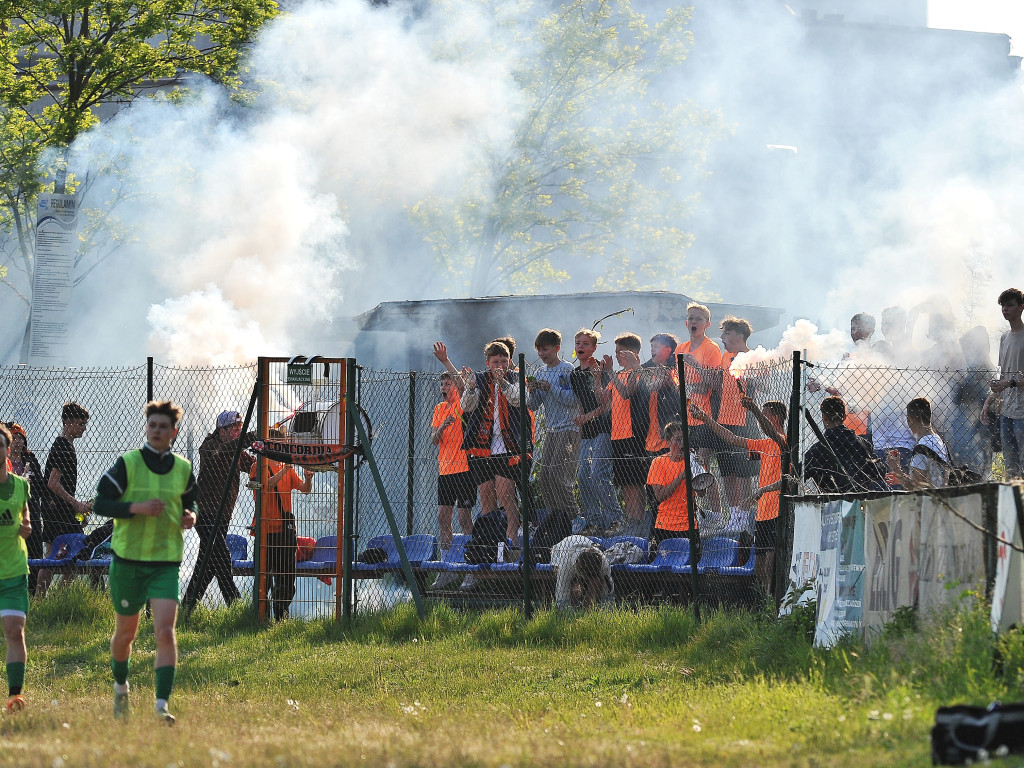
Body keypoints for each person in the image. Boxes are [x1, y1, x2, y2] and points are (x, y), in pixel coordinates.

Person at [93, 400, 198, 724]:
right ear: (146, 428)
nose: (156, 430)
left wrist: (190, 516)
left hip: (166, 561)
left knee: (165, 631)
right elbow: (100, 503)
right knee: (126, 634)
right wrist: (135, 507)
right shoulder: (128, 464)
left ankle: (161, 706)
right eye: (152, 425)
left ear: (173, 433)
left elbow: (190, 501)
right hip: (128, 561)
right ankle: (121, 687)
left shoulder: (183, 468)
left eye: (163, 427)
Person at [688, 397, 787, 590]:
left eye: (765, 415)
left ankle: (773, 601)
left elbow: (770, 431)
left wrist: (754, 409)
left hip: (777, 510)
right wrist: (706, 418)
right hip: (762, 513)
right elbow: (732, 438)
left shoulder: (781, 440)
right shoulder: (764, 444)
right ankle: (766, 600)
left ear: (775, 417)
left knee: (770, 562)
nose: (760, 420)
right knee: (759, 566)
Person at [182, 410, 254, 611]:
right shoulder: (209, 446)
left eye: (240, 428)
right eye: (235, 428)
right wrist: (253, 437)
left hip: (223, 516)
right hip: (205, 514)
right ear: (222, 431)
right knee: (222, 560)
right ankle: (237, 607)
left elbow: (253, 466)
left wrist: (270, 458)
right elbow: (224, 451)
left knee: (207, 565)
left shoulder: (236, 450)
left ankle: (187, 607)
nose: (239, 431)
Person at [461, 340, 529, 543]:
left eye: (503, 361)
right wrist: (471, 387)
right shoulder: (479, 379)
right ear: (487, 362)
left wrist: (504, 383)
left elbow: (518, 399)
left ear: (509, 361)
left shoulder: (516, 378)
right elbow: (466, 406)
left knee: (506, 494)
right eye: (495, 361)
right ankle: (491, 542)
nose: (499, 365)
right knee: (486, 497)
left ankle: (512, 542)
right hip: (482, 447)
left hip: (509, 446)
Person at [248, 430, 312, 621]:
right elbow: (264, 486)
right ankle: (261, 615)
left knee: (286, 577)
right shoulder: (258, 466)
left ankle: (281, 615)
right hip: (265, 533)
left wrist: (308, 478)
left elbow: (304, 490)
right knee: (264, 578)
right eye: (281, 443)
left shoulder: (288, 468)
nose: (284, 447)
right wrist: (285, 470)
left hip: (285, 533)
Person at [527, 329, 582, 547]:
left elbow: (572, 399)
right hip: (551, 430)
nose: (541, 353)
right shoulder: (540, 372)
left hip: (568, 428)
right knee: (544, 477)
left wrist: (552, 388)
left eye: (545, 349)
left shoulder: (567, 369)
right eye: (539, 349)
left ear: (557, 348)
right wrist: (532, 391)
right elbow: (533, 405)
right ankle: (554, 518)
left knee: (560, 476)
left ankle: (573, 517)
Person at [596, 333, 651, 537]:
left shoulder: (639, 372)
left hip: (633, 434)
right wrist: (597, 378)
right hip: (617, 435)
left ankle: (638, 523)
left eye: (621, 352)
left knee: (635, 481)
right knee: (625, 481)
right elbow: (603, 398)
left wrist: (610, 373)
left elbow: (627, 392)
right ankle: (632, 521)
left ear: (632, 353)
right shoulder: (617, 374)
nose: (617, 356)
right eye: (616, 352)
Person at [569, 329, 621, 535]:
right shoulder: (575, 374)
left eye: (585, 343)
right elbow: (581, 402)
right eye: (577, 343)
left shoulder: (600, 369)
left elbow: (605, 404)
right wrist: (581, 426)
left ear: (594, 348)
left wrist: (598, 379)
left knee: (598, 472)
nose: (580, 346)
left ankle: (614, 520)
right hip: (587, 431)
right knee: (582, 476)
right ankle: (592, 521)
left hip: (603, 429)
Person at [37, 401, 91, 598]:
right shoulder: (62, 447)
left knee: (55, 557)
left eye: (85, 424)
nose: (83, 428)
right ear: (68, 422)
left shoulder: (66, 445)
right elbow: (53, 482)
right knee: (75, 555)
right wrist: (77, 505)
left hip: (59, 510)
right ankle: (48, 600)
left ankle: (46, 601)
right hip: (56, 511)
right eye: (80, 423)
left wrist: (78, 511)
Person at [430, 372, 475, 590]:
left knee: (464, 518)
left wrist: (459, 380)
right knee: (442, 517)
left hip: (465, 468)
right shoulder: (439, 409)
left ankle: (470, 568)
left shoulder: (462, 404)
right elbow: (433, 439)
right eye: (442, 384)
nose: (444, 387)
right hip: (445, 470)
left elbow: (464, 389)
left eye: (448, 383)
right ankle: (446, 566)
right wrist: (443, 426)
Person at [0, 424, 34, 713]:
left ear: (8, 449)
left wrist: (26, 526)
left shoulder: (21, 486)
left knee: (15, 632)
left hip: (12, 572)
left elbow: (27, 519)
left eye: (0, 444)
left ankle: (14, 695)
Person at [712, 317, 759, 509]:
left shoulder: (754, 356)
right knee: (727, 472)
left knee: (743, 474)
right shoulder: (725, 356)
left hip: (744, 421)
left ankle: (745, 513)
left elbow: (766, 385)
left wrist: (750, 373)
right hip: (724, 420)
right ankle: (733, 515)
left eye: (727, 333)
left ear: (740, 336)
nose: (722, 337)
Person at [803, 396, 888, 494]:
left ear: (824, 418)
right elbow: (877, 472)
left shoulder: (818, 449)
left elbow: (800, 472)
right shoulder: (861, 443)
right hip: (860, 499)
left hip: (831, 502)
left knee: (816, 469)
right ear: (844, 417)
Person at [983, 288, 1024, 480]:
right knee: (1011, 468)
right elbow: (1003, 375)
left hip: (1022, 413)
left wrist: (1010, 383)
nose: (1005, 310)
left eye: (1010, 305)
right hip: (1006, 413)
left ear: (1021, 307)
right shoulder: (1004, 338)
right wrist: (989, 401)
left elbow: (1009, 380)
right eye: (1003, 306)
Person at [675, 303, 722, 465]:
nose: (694, 322)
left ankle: (710, 491)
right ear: (686, 323)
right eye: (691, 318)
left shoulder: (711, 348)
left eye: (698, 319)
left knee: (702, 465)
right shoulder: (680, 348)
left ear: (707, 324)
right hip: (686, 415)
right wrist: (692, 386)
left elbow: (710, 385)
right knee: (690, 467)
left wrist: (695, 366)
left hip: (705, 416)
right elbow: (678, 383)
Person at [646, 423, 698, 552]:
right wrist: (681, 477)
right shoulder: (658, 462)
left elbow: (702, 492)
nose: (682, 443)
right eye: (678, 439)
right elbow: (660, 496)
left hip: (689, 524)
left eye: (685, 439)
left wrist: (698, 469)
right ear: (668, 442)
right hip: (665, 524)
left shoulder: (692, 460)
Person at [5, 424, 44, 593]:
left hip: (31, 511)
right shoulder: (4, 462)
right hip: (11, 513)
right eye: (15, 438)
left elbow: (41, 486)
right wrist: (21, 479)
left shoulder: (31, 460)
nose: (18, 442)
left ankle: (33, 591)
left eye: (21, 438)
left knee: (35, 551)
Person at [887, 397, 950, 489]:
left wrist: (896, 469)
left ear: (911, 419)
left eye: (907, 419)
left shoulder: (921, 448)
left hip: (928, 501)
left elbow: (917, 488)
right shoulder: (938, 440)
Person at [550, 535, 613, 611]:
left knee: (596, 582)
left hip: (581, 544)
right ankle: (575, 609)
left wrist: (607, 609)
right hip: (561, 550)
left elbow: (608, 590)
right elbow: (562, 594)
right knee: (573, 588)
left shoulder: (603, 561)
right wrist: (568, 614)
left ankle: (587, 608)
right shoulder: (565, 566)